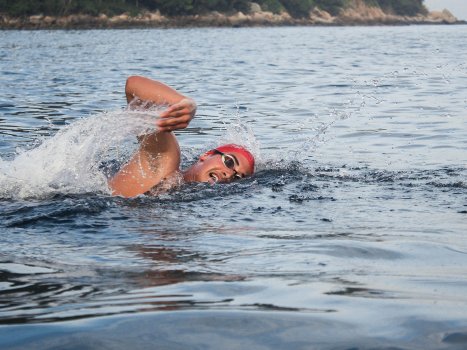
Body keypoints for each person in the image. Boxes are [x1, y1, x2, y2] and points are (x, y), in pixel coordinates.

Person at [108, 76, 255, 197]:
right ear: (206, 155)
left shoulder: (185, 194)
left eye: (237, 177)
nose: (228, 174)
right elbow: (133, 85)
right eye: (229, 162)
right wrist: (185, 103)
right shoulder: (166, 162)